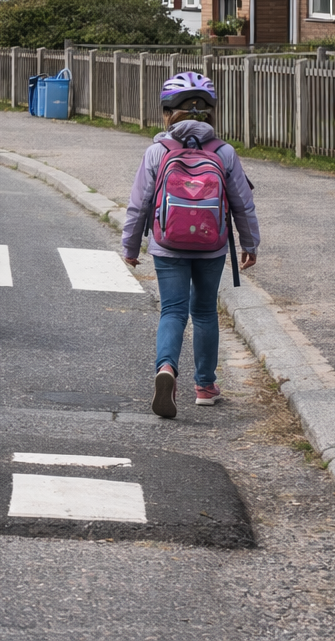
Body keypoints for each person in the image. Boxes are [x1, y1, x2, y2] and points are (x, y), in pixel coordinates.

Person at [122, 71, 259, 419]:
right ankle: (205, 387)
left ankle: (167, 368)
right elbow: (242, 204)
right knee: (205, 312)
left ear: (167, 113)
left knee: (173, 311)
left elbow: (139, 204)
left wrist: (130, 247)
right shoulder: (224, 153)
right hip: (211, 246)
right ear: (211, 113)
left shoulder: (157, 152)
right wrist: (250, 243)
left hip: (168, 245)